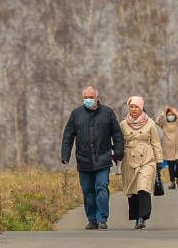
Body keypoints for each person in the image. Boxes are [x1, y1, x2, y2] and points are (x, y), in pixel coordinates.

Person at [60, 85, 124, 230]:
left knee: (101, 187)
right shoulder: (76, 114)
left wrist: (119, 153)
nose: (88, 100)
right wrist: (65, 155)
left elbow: (117, 134)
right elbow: (68, 135)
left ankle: (102, 218)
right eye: (85, 97)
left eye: (90, 97)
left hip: (103, 158)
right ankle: (92, 219)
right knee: (88, 191)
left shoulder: (107, 113)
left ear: (97, 98)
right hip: (84, 159)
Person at [120, 96, 164, 229]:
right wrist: (116, 155)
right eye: (131, 107)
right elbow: (119, 142)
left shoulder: (150, 123)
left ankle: (142, 217)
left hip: (147, 159)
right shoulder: (123, 124)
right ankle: (136, 216)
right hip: (129, 159)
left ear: (141, 108)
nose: (133, 109)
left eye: (136, 107)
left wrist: (159, 160)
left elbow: (156, 143)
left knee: (143, 187)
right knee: (133, 190)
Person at [160, 106, 178, 189]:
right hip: (168, 147)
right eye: (169, 114)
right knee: (170, 166)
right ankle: (172, 182)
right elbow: (157, 121)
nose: (170, 116)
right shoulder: (164, 123)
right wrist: (164, 112)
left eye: (172, 114)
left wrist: (176, 113)